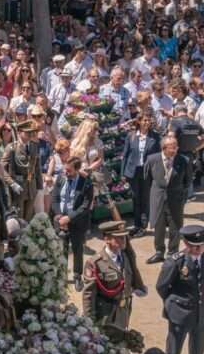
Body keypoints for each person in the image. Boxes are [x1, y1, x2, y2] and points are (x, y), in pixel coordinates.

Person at [82, 221, 146, 331]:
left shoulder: (126, 257)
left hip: (123, 312)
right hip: (105, 316)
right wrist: (89, 321)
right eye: (119, 238)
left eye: (124, 237)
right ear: (107, 239)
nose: (123, 240)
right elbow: (88, 294)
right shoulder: (95, 263)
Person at [156, 225, 204, 354]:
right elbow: (161, 286)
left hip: (200, 315)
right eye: (194, 246)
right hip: (180, 315)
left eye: (201, 245)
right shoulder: (175, 262)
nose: (198, 250)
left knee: (197, 353)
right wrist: (173, 304)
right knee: (173, 353)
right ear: (186, 244)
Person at [145, 136, 193, 264]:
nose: (175, 149)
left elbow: (188, 181)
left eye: (176, 146)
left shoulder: (184, 160)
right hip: (158, 197)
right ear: (164, 148)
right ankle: (159, 252)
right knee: (158, 227)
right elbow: (148, 179)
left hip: (176, 198)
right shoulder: (152, 159)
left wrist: (180, 193)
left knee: (175, 227)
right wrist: (156, 192)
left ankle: (173, 252)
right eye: (172, 147)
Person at [50, 156, 94, 292]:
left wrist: (69, 218)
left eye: (69, 171)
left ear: (77, 169)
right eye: (65, 170)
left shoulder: (86, 183)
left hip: (77, 222)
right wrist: (58, 216)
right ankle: (62, 277)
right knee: (61, 250)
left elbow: (85, 206)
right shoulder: (61, 178)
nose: (66, 173)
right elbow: (55, 198)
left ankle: (77, 276)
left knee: (77, 249)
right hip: (60, 220)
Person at [122, 112, 161, 236]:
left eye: (149, 120)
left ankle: (143, 225)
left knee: (145, 198)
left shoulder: (155, 137)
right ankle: (136, 224)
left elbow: (159, 156)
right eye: (144, 120)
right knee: (135, 198)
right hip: (133, 172)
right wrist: (123, 173)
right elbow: (125, 155)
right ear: (139, 121)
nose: (147, 122)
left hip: (147, 172)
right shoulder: (131, 136)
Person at [0, 119, 42, 221]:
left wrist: (39, 186)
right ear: (19, 132)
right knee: (19, 219)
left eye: (31, 133)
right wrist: (12, 183)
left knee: (28, 219)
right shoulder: (11, 148)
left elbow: (37, 167)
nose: (29, 135)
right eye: (27, 132)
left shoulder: (34, 146)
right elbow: (2, 169)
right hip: (18, 186)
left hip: (31, 187)